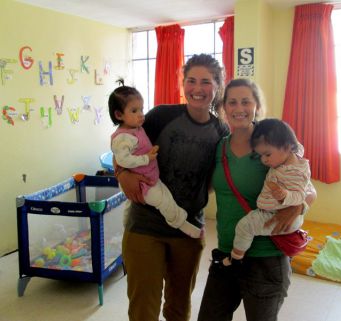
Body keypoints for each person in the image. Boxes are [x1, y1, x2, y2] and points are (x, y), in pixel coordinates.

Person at [115, 54, 229, 321]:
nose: (197, 89)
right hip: (145, 227)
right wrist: (122, 174)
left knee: (179, 307)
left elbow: (219, 175)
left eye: (206, 82)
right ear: (183, 83)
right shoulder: (160, 116)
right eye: (191, 81)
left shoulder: (221, 130)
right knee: (144, 308)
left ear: (217, 86)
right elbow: (122, 146)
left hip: (188, 232)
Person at [197, 78, 316, 321]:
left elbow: (309, 190)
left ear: (256, 107)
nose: (238, 108)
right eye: (232, 102)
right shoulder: (219, 148)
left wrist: (298, 207)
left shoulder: (276, 146)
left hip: (266, 258)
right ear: (223, 107)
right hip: (228, 255)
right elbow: (204, 185)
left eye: (245, 101)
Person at [108, 79, 201, 238]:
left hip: (151, 177)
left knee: (164, 198)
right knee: (164, 202)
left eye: (142, 109)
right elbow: (121, 159)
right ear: (119, 115)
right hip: (143, 183)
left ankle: (127, 224)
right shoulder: (124, 136)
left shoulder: (136, 128)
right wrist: (146, 158)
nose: (141, 115)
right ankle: (182, 224)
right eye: (134, 111)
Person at [226, 118, 312, 262]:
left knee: (245, 226)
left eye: (267, 154)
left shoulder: (293, 172)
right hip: (276, 211)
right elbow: (296, 145)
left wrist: (285, 195)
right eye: (260, 155)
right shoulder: (291, 153)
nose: (264, 160)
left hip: (277, 214)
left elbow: (300, 194)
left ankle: (235, 256)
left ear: (287, 147)